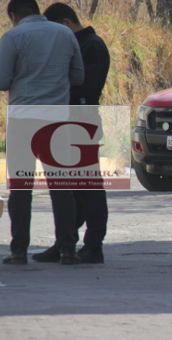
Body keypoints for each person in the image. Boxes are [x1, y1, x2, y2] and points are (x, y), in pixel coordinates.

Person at [0, 0, 84, 265]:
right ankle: (68, 249)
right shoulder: (65, 34)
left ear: (14, 15)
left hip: (24, 119)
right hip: (57, 120)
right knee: (61, 186)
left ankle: (19, 250)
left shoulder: (12, 37)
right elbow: (78, 76)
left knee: (21, 188)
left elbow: (2, 81)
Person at [31, 2, 111, 264]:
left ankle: (93, 246)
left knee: (88, 188)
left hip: (81, 122)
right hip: (65, 122)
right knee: (70, 190)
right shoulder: (78, 44)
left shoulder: (91, 46)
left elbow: (86, 88)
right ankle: (65, 242)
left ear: (66, 24)